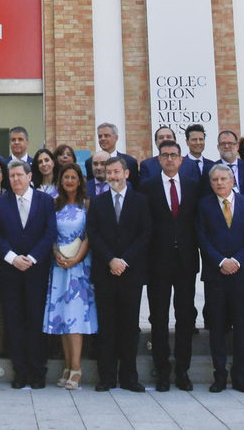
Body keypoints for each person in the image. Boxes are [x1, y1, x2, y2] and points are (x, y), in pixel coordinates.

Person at [140, 139, 200, 391]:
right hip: (158, 261)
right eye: (165, 155)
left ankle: (182, 371)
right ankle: (162, 371)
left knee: (185, 317)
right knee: (159, 318)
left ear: (181, 159)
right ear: (159, 159)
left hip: (186, 260)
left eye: (174, 155)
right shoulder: (147, 187)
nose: (169, 159)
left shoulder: (193, 186)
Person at [0, 159, 57, 389]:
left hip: (36, 271)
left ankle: (38, 371)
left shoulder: (45, 201)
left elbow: (50, 233)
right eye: (12, 176)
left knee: (35, 321)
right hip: (11, 272)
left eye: (19, 175)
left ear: (30, 176)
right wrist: (12, 258)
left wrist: (32, 258)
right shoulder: (1, 202)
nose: (15, 180)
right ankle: (20, 372)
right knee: (14, 322)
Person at [90, 154, 150, 392]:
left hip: (131, 273)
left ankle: (129, 377)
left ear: (126, 174)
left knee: (129, 327)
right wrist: (111, 260)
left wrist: (124, 260)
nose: (112, 176)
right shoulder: (97, 202)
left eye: (117, 172)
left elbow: (145, 234)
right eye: (109, 172)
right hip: (105, 273)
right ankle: (106, 377)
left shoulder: (141, 201)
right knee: (106, 326)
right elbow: (93, 234)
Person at [197, 162, 244, 392]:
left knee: (241, 327)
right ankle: (219, 375)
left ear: (233, 181)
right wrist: (222, 261)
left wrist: (237, 261)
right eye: (215, 180)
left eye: (223, 179)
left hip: (241, 275)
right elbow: (202, 237)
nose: (219, 183)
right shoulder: (204, 205)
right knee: (217, 327)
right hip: (216, 275)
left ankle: (240, 376)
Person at [45, 161, 96, 390]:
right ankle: (67, 366)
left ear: (80, 180)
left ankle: (76, 368)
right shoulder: (54, 204)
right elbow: (50, 234)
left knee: (75, 318)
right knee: (63, 317)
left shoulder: (87, 204)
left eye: (73, 177)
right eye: (66, 177)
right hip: (58, 265)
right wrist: (56, 252)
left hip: (79, 267)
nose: (69, 181)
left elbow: (88, 236)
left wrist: (76, 259)